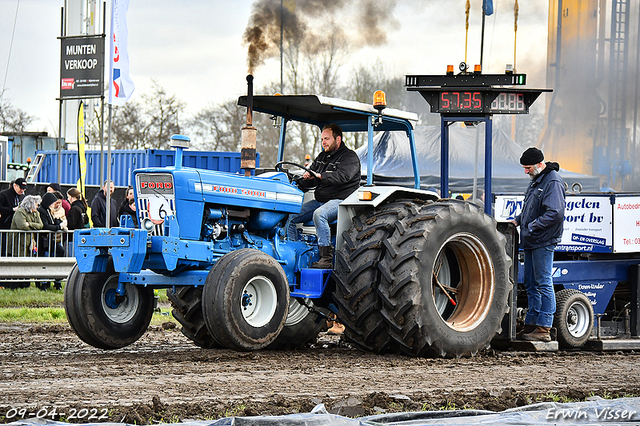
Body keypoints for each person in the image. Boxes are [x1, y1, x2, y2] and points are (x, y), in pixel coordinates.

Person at [287, 123, 361, 268]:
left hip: (341, 201)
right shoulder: (322, 157)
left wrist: (320, 176)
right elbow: (312, 177)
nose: (323, 143)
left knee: (319, 214)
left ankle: (325, 258)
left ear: (338, 139)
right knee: (290, 216)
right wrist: (304, 179)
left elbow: (342, 177)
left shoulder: (349, 157)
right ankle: (294, 252)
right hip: (321, 200)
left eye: (326, 139)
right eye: (322, 139)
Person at [512, 147, 565, 342]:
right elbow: (530, 208)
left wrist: (532, 226)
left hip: (543, 240)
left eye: (527, 168)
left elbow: (555, 213)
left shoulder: (552, 182)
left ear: (539, 164)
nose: (525, 171)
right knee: (530, 283)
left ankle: (544, 328)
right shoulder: (537, 180)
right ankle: (532, 324)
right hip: (532, 240)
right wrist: (518, 220)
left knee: (543, 282)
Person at [0, 178, 27, 255]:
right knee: (4, 247)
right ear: (15, 186)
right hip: (5, 226)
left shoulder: (23, 197)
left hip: (17, 227)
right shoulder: (4, 194)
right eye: (21, 188)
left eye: (24, 189)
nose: (22, 191)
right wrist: (12, 209)